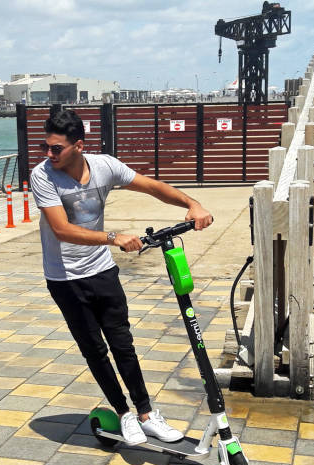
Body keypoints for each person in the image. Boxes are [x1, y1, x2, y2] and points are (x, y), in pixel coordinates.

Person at [30, 110, 214, 446]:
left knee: (122, 343)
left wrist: (192, 203)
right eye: (46, 146)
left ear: (78, 146)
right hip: (65, 277)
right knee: (96, 350)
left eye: (56, 148)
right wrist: (113, 237)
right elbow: (62, 229)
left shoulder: (104, 166)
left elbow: (151, 186)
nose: (48, 154)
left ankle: (146, 414)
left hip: (101, 270)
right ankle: (124, 414)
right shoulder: (42, 176)